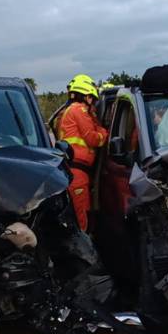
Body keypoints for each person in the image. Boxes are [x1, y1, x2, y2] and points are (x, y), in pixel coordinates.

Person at [52, 74, 107, 231]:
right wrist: (104, 132)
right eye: (92, 98)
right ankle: (84, 250)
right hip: (77, 172)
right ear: (86, 96)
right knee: (81, 217)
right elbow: (93, 139)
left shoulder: (69, 111)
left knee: (80, 213)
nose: (93, 103)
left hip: (75, 170)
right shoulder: (79, 110)